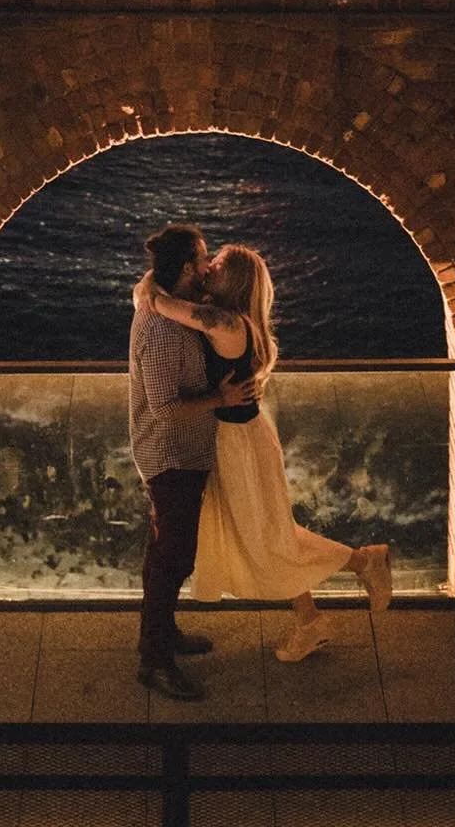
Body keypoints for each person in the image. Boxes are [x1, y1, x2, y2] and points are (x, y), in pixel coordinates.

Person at [138, 241, 392, 662]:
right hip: (242, 439)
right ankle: (311, 620)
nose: (207, 271)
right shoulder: (236, 321)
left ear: (232, 279)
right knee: (270, 534)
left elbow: (162, 306)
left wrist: (153, 286)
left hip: (239, 447)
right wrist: (153, 283)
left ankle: (364, 562)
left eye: (215, 266)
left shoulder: (226, 324)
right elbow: (156, 297)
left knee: (267, 539)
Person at [128, 222, 257, 701]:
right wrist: (219, 397)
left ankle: (163, 635)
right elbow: (164, 409)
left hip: (183, 451)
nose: (208, 267)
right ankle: (153, 661)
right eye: (203, 259)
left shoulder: (173, 308)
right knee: (172, 558)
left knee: (164, 553)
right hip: (170, 454)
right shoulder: (161, 330)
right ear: (187, 269)